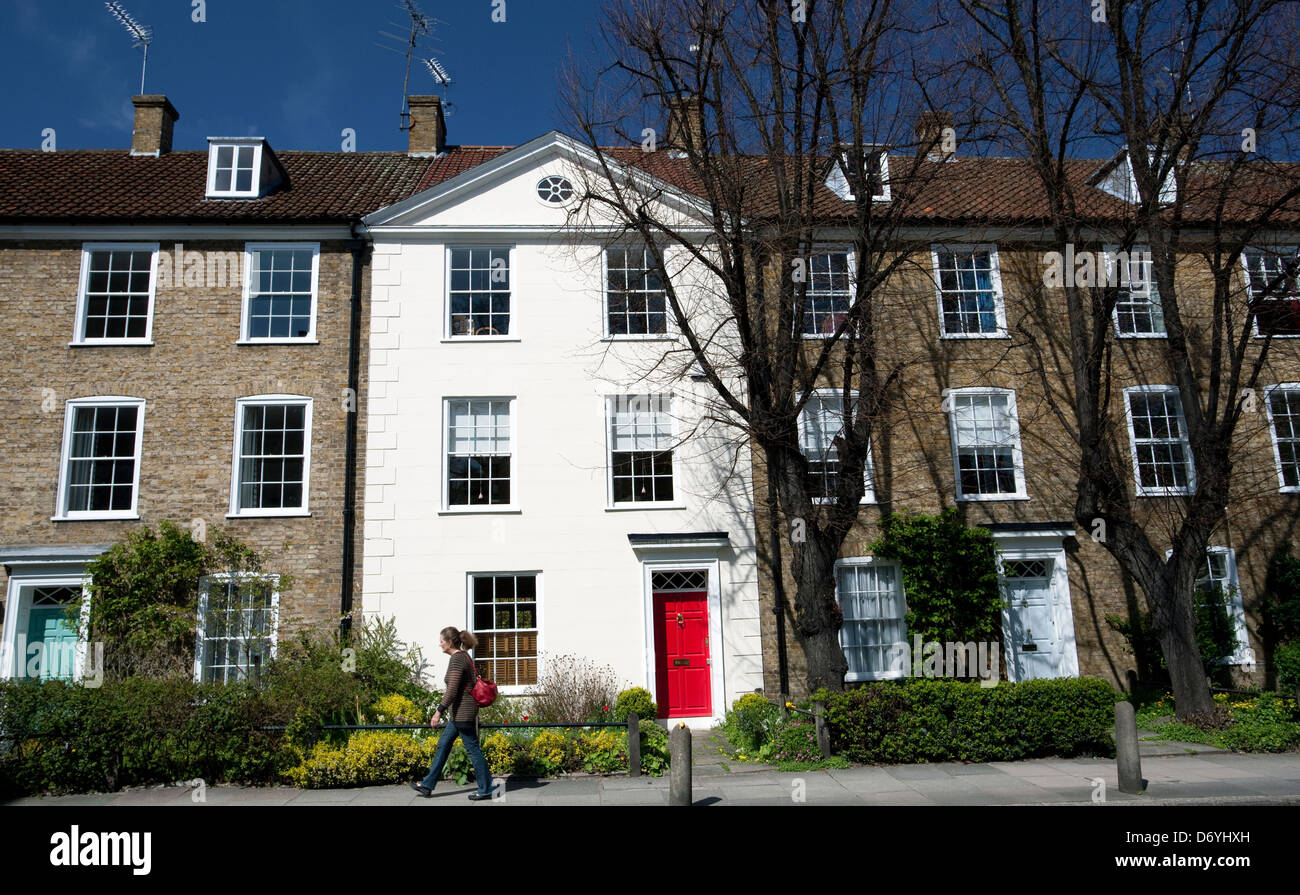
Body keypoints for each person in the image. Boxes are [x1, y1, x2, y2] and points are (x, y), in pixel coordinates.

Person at [410, 627, 493, 801]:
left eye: (441, 641)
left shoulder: (457, 659)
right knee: (443, 744)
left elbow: (453, 689)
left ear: (449, 642)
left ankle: (485, 789)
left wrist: (438, 711)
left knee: (473, 750)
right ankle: (427, 784)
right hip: (458, 715)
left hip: (463, 714)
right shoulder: (463, 656)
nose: (439, 644)